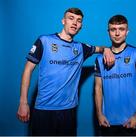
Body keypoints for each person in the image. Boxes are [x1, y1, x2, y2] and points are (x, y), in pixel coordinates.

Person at [17, 8, 115, 136]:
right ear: (63, 21)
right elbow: (27, 70)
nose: (75, 22)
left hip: (69, 111)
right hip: (44, 109)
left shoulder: (81, 48)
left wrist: (106, 49)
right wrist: (23, 102)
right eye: (71, 18)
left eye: (78, 21)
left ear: (80, 26)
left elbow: (100, 48)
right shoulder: (44, 41)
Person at [94, 14, 136, 136]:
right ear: (108, 32)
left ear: (127, 31)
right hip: (107, 121)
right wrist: (99, 114)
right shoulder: (99, 59)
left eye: (121, 29)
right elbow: (98, 88)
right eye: (113, 29)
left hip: (130, 121)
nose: (117, 33)